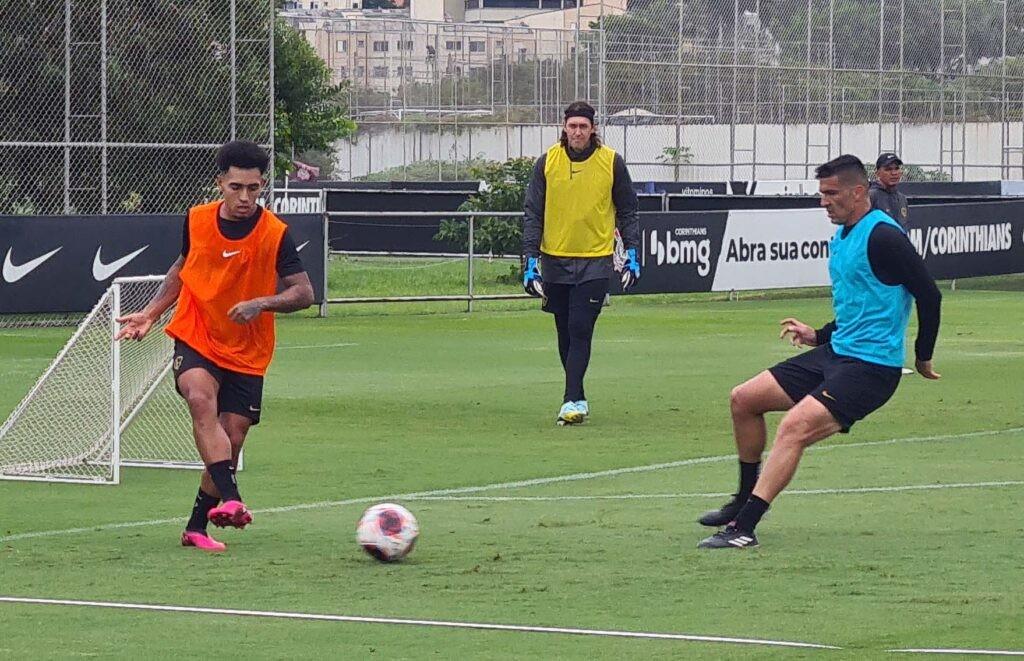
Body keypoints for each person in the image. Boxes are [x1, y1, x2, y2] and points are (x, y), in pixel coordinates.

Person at [697, 154, 942, 549]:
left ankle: (744, 528)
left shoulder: (884, 236)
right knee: (744, 399)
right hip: (837, 354)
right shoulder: (844, 234)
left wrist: (922, 354)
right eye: (821, 193)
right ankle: (743, 498)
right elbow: (858, 305)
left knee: (793, 428)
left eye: (831, 194)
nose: (823, 201)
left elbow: (929, 295)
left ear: (859, 192)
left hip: (872, 367)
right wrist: (817, 335)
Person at [116, 140, 314, 552]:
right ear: (219, 182)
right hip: (197, 332)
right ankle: (234, 499)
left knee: (233, 436)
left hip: (248, 349)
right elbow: (183, 266)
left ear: (263, 186)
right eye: (236, 187)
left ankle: (195, 528)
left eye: (254, 189)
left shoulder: (276, 234)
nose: (245, 197)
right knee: (200, 398)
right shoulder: (196, 219)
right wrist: (151, 313)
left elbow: (304, 293)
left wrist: (262, 303)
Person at [521, 100, 641, 425]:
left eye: (583, 127)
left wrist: (632, 253)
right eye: (572, 126)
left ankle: (570, 399)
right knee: (564, 330)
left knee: (580, 327)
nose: (577, 132)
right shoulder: (547, 162)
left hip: (595, 260)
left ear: (593, 129)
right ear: (564, 127)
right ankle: (578, 394)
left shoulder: (611, 162)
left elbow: (628, 211)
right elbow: (533, 212)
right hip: (555, 259)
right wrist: (530, 260)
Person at [870, 152, 910, 229]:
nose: (894, 173)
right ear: (877, 173)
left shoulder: (902, 198)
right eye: (888, 169)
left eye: (896, 168)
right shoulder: (871, 196)